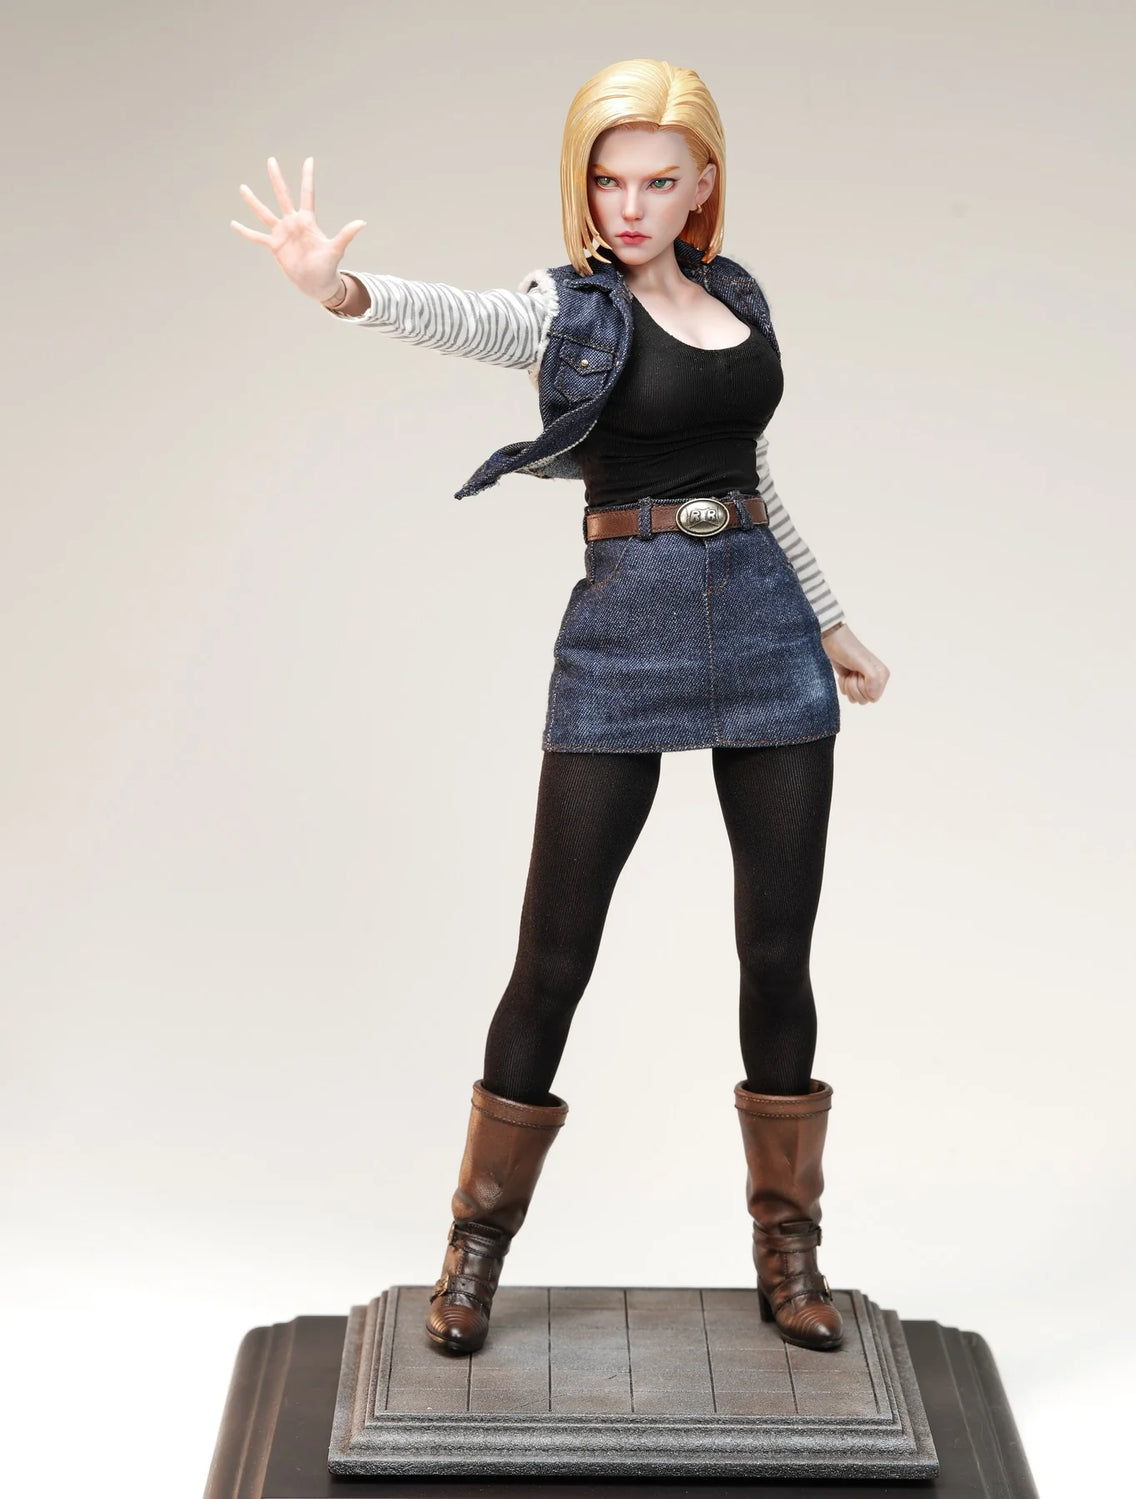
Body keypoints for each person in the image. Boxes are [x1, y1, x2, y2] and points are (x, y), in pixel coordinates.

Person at [231, 57, 890, 1360]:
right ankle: (474, 1246)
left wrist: (829, 619)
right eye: (607, 179)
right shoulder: (569, 310)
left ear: (702, 183)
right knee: (554, 953)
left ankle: (789, 1248)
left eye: (656, 180)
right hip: (624, 635)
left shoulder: (738, 300)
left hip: (766, 633)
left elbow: (753, 477)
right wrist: (341, 290)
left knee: (777, 952)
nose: (628, 206)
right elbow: (463, 317)